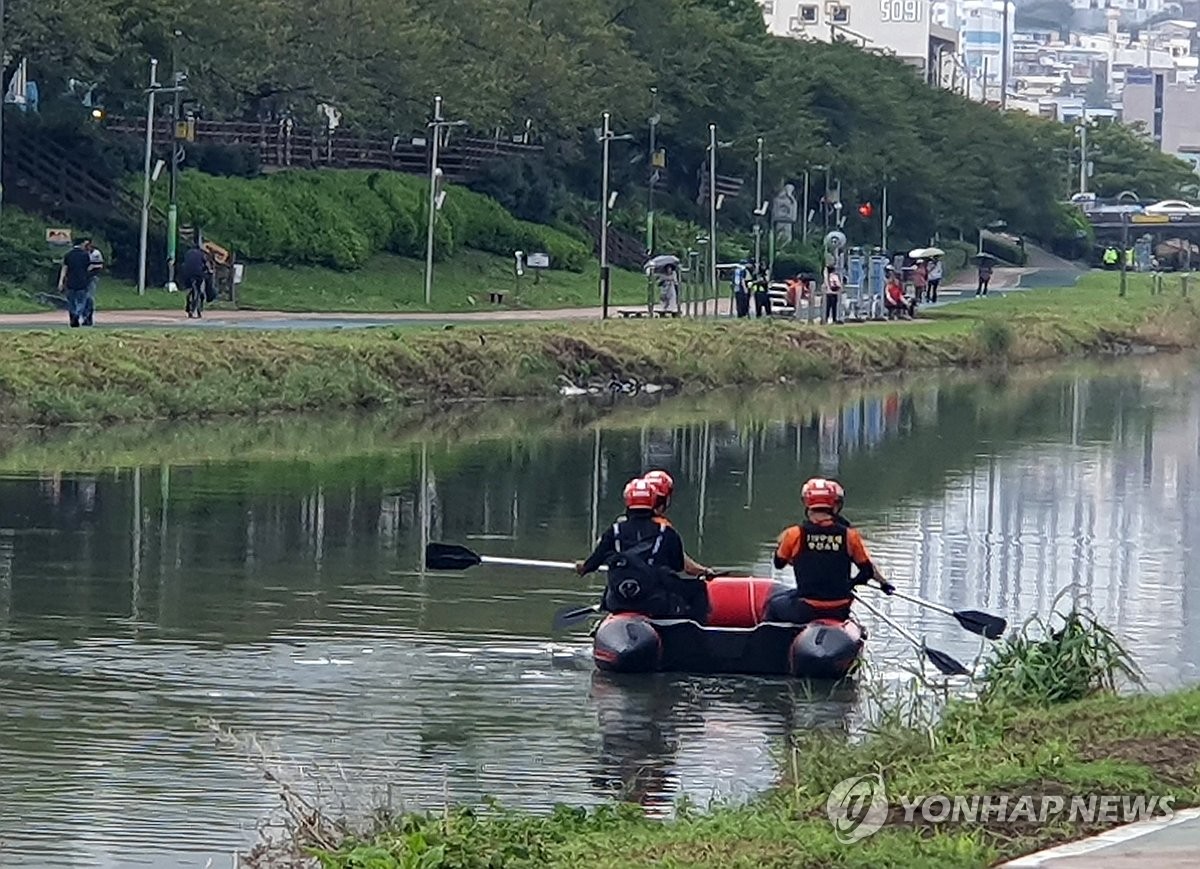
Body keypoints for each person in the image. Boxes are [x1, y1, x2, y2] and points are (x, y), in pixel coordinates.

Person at [764, 478, 894, 624]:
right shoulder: (849, 535)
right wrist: (851, 584)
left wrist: (798, 556)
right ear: (834, 504)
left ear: (807, 503)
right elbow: (867, 570)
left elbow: (778, 563)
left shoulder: (794, 534)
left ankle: (771, 642)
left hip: (807, 608)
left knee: (772, 605)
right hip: (840, 608)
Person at [576, 478, 709, 620]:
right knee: (698, 588)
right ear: (653, 501)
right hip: (653, 603)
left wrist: (581, 567)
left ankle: (609, 619)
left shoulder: (613, 531)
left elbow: (591, 565)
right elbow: (677, 566)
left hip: (618, 600)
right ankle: (693, 629)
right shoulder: (667, 532)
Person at [642, 469, 713, 579]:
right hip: (654, 588)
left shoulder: (620, 527)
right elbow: (685, 565)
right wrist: (706, 571)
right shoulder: (664, 530)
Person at [57, 238, 93, 328]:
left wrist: (61, 281)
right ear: (81, 244)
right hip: (82, 281)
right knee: (82, 301)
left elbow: (64, 269)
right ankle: (77, 314)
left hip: (70, 282)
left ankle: (73, 315)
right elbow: (88, 268)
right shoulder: (85, 255)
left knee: (71, 302)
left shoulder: (68, 255)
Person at [181, 241, 211, 318]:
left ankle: (188, 305)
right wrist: (209, 270)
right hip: (198, 273)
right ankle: (199, 309)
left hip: (187, 273)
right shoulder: (201, 254)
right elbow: (206, 264)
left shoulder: (188, 253)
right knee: (199, 289)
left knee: (190, 289)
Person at [83, 240, 104, 326]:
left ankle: (89, 316)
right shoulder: (82, 253)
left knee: (89, 297)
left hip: (92, 277)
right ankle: (84, 317)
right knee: (82, 297)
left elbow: (100, 265)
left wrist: (92, 267)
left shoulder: (96, 253)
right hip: (82, 278)